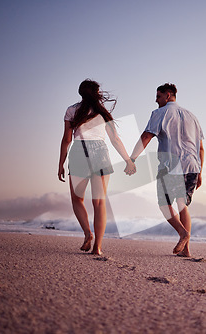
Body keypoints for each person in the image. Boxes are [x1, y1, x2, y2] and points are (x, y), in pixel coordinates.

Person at [58, 79, 136, 255]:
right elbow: (115, 140)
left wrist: (61, 163)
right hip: (100, 152)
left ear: (80, 92)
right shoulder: (103, 113)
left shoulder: (72, 110)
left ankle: (88, 233)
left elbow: (67, 139)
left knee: (77, 199)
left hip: (79, 151)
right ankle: (98, 248)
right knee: (99, 202)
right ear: (97, 93)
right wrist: (128, 160)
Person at [130, 83, 204, 257]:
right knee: (182, 203)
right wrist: (200, 171)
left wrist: (132, 158)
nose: (156, 100)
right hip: (192, 166)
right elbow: (200, 148)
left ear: (168, 95)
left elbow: (147, 136)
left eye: (158, 96)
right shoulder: (192, 116)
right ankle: (186, 250)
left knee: (164, 204)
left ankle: (182, 233)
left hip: (171, 164)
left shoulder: (160, 113)